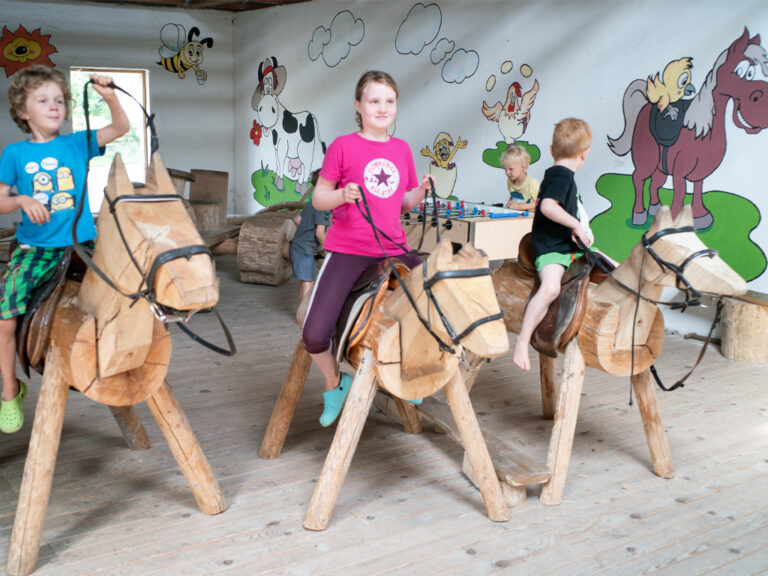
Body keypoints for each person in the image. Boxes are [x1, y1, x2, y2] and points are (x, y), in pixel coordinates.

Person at [0, 65, 129, 433]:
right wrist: (22, 199)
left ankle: (111, 362)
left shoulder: (77, 143)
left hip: (80, 245)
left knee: (119, 299)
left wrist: (109, 97)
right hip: (35, 249)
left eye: (59, 99)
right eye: (42, 100)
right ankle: (10, 389)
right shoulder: (14, 153)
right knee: (4, 320)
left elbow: (120, 129)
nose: (54, 105)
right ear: (24, 112)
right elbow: (0, 199)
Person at [303, 70, 434, 427]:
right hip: (347, 249)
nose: (382, 108)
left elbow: (402, 203)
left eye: (389, 101)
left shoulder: (402, 149)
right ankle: (334, 383)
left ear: (396, 106)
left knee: (433, 305)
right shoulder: (343, 146)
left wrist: (420, 192)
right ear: (358, 105)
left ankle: (407, 373)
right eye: (374, 101)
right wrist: (341, 195)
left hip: (394, 249)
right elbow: (318, 197)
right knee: (314, 335)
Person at [512, 118, 594, 371]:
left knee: (609, 264)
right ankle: (522, 340)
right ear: (585, 154)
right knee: (549, 289)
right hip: (551, 248)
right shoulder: (562, 176)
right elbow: (548, 207)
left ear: (551, 150)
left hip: (565, 244)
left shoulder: (559, 174)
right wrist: (575, 225)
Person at [289, 171, 331, 306]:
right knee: (308, 283)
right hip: (304, 249)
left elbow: (297, 220)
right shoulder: (324, 205)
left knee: (304, 281)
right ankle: (305, 314)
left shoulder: (312, 202)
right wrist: (327, 248)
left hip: (296, 246)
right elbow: (320, 233)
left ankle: (302, 311)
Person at [502, 143, 540, 212]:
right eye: (505, 169)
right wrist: (509, 203)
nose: (507, 173)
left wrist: (520, 206)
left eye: (510, 169)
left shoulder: (533, 183)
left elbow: (540, 203)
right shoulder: (510, 180)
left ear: (523, 167)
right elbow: (513, 195)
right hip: (519, 217)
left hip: (532, 219)